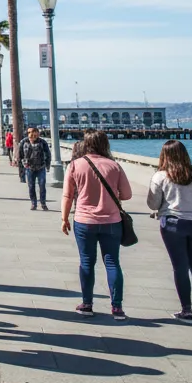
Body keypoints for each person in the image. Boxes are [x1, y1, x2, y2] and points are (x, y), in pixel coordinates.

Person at [61, 130, 132, 320]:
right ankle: (117, 308)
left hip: (84, 221)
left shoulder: (76, 165)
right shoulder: (114, 166)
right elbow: (126, 195)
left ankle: (87, 304)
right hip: (112, 221)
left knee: (86, 262)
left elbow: (67, 195)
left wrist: (64, 218)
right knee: (112, 263)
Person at [148, 141, 192, 322]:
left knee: (180, 267)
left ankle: (186, 310)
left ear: (164, 155)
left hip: (173, 224)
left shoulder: (160, 176)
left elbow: (152, 204)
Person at [18, 127, 52, 211]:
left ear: (37, 133)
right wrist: (21, 173)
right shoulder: (23, 142)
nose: (32, 135)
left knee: (42, 186)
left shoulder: (42, 142)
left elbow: (48, 154)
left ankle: (43, 203)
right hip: (29, 168)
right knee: (31, 186)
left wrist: (47, 165)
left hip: (41, 167)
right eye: (30, 133)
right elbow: (20, 156)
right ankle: (33, 203)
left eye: (34, 133)